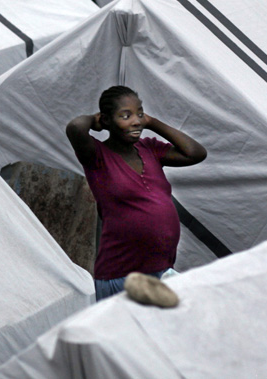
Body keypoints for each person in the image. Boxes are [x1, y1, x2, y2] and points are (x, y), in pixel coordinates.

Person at [66, 85, 207, 300]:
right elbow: (75, 127)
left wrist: (152, 122)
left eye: (139, 113)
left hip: (160, 271)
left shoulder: (149, 148)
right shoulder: (97, 156)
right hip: (121, 275)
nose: (136, 121)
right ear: (106, 121)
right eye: (125, 115)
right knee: (125, 333)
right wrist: (95, 120)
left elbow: (195, 153)